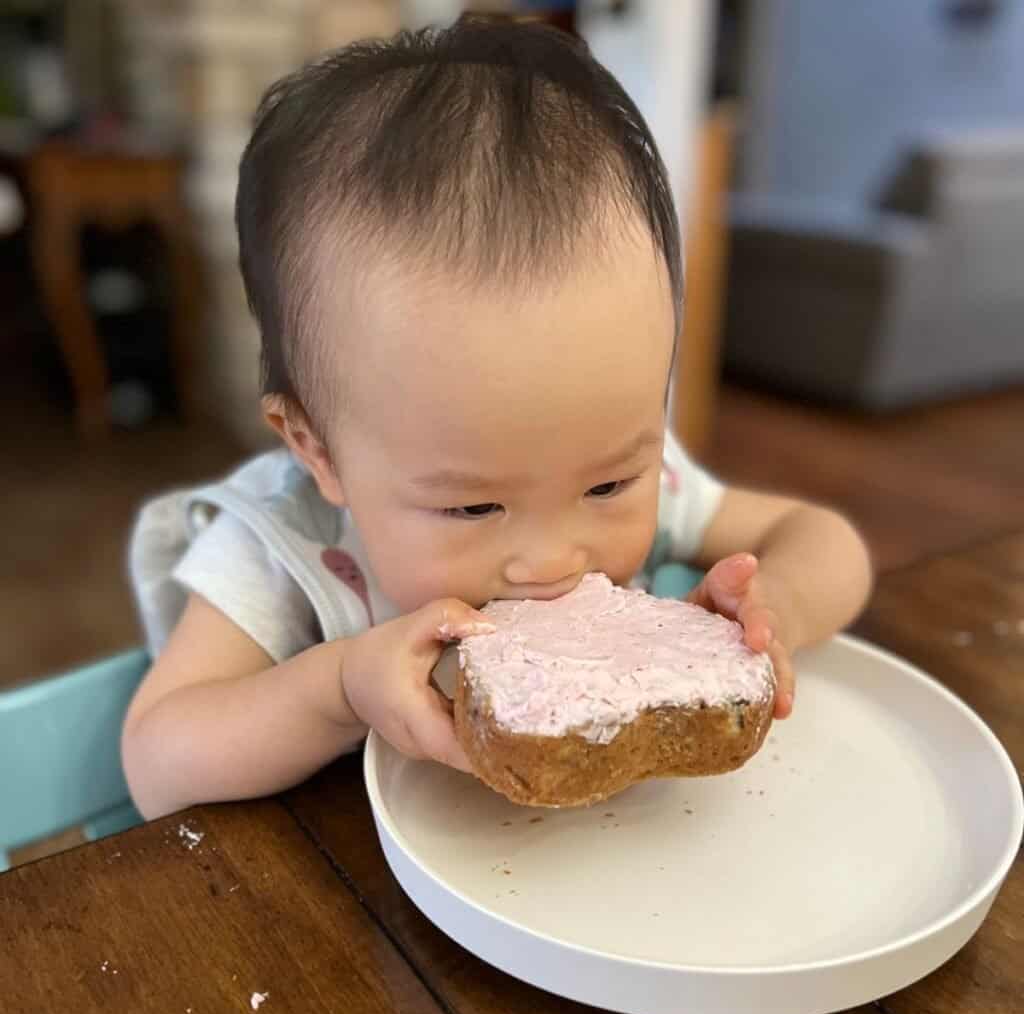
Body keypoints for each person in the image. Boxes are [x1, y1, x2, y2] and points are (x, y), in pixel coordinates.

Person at [122, 16, 872, 820]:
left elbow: (828, 543)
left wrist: (774, 613)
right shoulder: (281, 545)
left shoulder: (633, 473)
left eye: (610, 483)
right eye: (474, 505)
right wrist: (337, 688)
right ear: (319, 449)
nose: (550, 560)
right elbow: (158, 762)